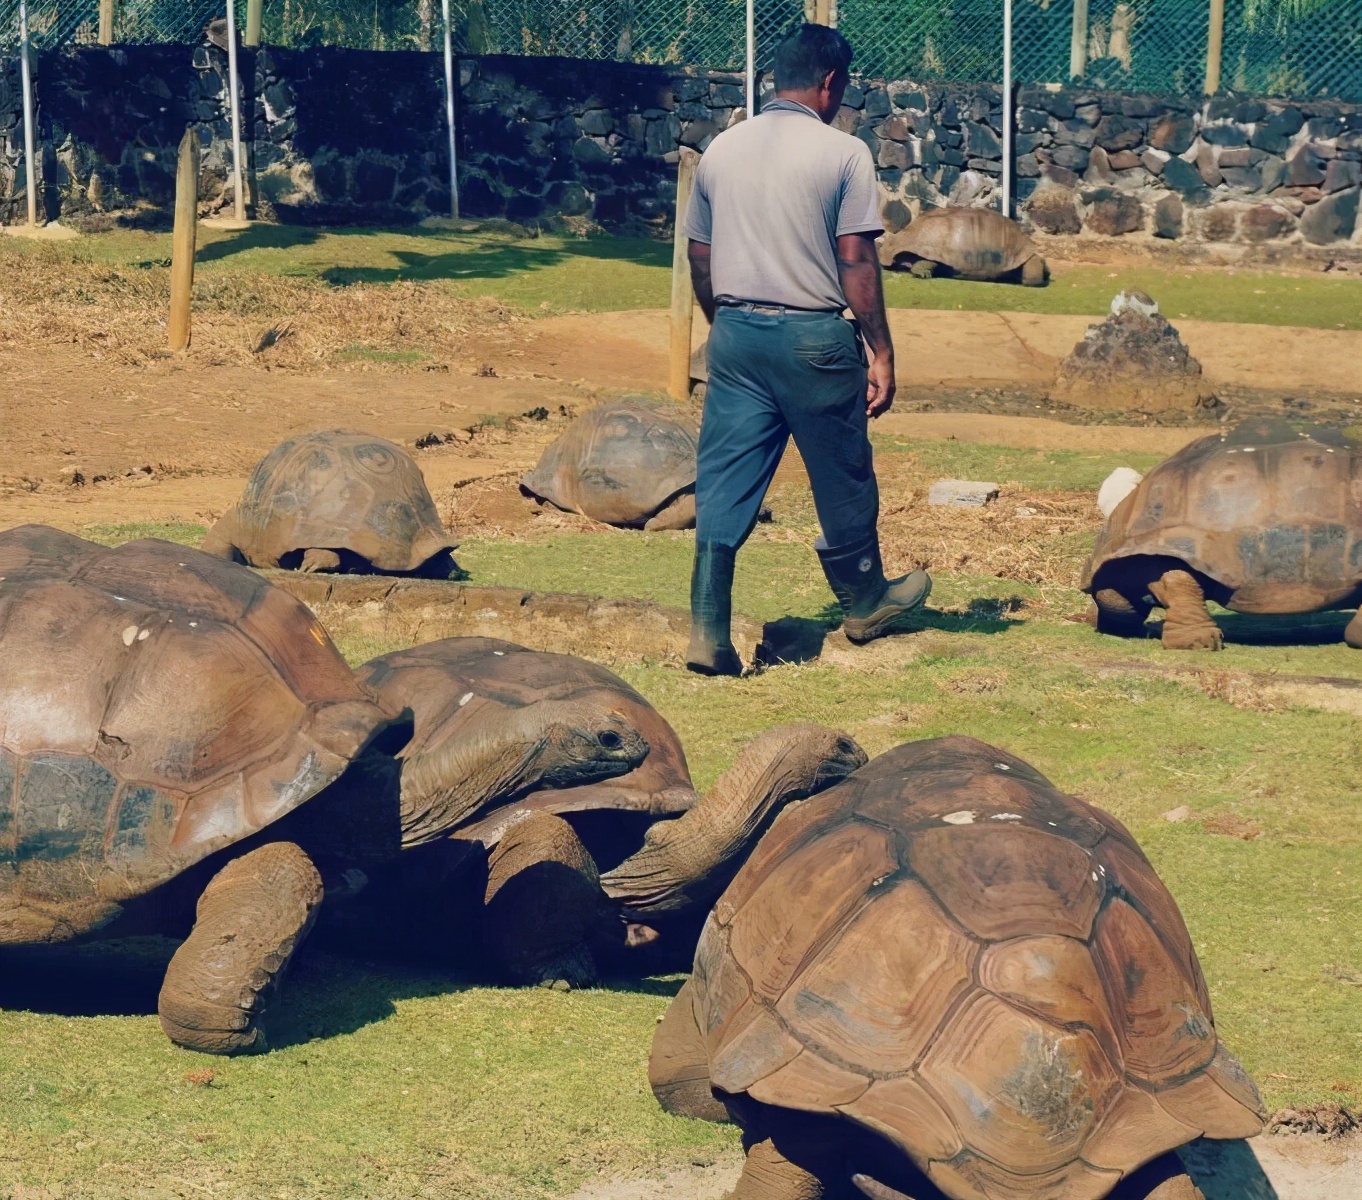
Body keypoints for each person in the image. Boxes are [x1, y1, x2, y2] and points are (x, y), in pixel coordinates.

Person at [682, 22, 932, 676]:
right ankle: (865, 600)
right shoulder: (843, 155)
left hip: (735, 336)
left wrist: (725, 325)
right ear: (829, 83)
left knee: (725, 477)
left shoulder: (721, 151)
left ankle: (707, 632)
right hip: (815, 340)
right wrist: (881, 350)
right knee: (843, 469)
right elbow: (855, 260)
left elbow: (700, 257)